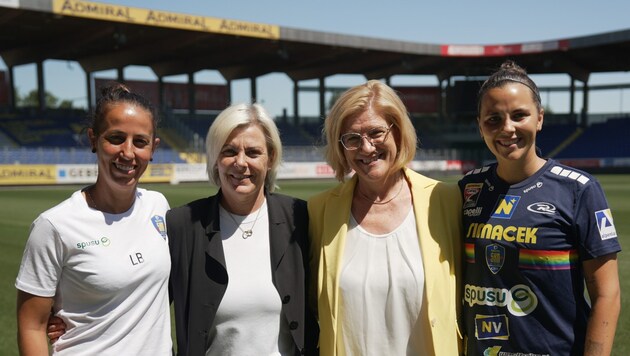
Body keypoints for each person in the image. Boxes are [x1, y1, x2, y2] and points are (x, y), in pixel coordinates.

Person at [459, 60, 621, 355]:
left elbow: (607, 295)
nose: (507, 128)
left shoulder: (579, 189)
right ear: (480, 125)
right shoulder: (467, 188)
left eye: (519, 115)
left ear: (539, 119)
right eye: (493, 119)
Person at [308, 80, 463, 355]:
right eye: (352, 139)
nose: (366, 148)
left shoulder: (445, 200)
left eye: (376, 132)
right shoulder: (318, 211)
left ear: (398, 134)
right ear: (341, 146)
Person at [16, 83, 172, 355]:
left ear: (153, 147)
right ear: (93, 139)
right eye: (115, 138)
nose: (128, 152)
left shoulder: (158, 206)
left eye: (140, 141)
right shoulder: (55, 226)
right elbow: (31, 326)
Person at [166, 103, 318, 355]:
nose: (240, 162)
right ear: (215, 159)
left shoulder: (300, 218)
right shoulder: (183, 225)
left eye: (253, 152)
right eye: (229, 151)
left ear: (270, 158)